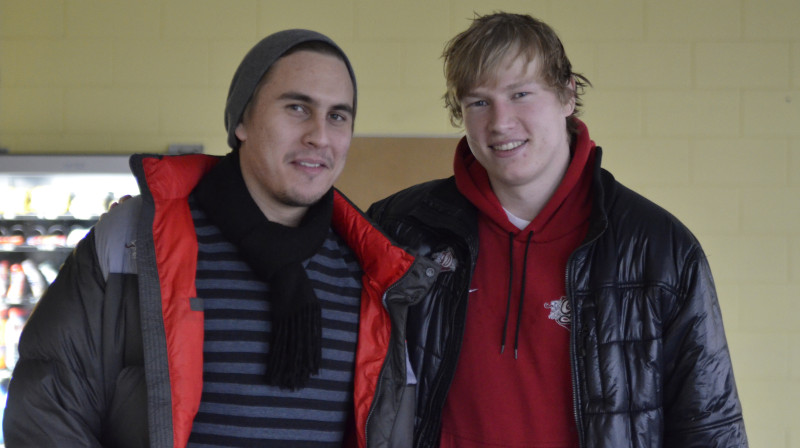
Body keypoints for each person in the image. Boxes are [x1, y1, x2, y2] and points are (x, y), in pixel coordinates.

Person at [3, 29, 438, 448]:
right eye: (297, 108)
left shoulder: (374, 274)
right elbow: (45, 416)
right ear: (242, 120)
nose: (319, 136)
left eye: (337, 116)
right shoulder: (132, 243)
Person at [368, 12, 748, 448]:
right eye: (479, 102)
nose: (500, 122)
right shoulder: (400, 229)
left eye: (520, 94)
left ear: (567, 95)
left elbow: (710, 428)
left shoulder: (659, 248)